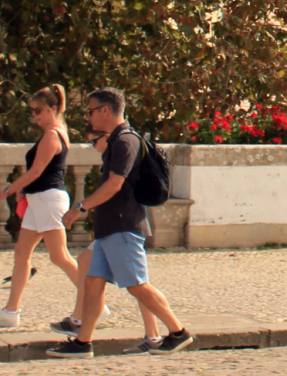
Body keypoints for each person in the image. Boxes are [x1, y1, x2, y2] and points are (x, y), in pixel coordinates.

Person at [46, 87, 193, 358]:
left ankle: (178, 332)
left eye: (90, 111)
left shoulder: (125, 141)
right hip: (111, 226)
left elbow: (115, 184)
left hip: (124, 226)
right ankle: (82, 343)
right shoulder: (117, 140)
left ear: (105, 111)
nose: (88, 118)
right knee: (92, 283)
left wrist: (80, 207)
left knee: (138, 285)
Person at [0, 85, 83, 328]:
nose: (35, 116)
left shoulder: (52, 135)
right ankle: (10, 311)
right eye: (33, 111)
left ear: (53, 109)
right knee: (22, 252)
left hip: (48, 200)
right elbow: (42, 172)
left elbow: (36, 171)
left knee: (60, 256)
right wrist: (24, 190)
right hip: (40, 199)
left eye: (39, 110)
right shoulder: (55, 132)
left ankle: (95, 303)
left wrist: (7, 191)